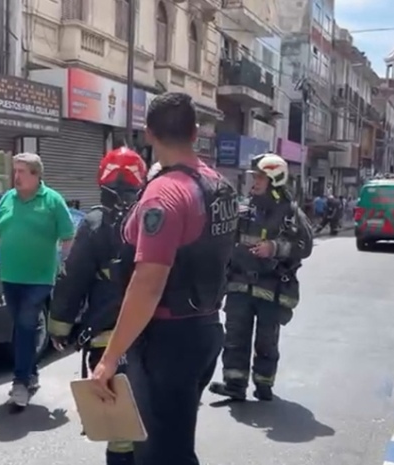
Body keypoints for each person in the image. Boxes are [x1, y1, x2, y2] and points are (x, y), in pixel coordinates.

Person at [89, 92, 238, 465]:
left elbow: (148, 284)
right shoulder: (218, 185)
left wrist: (109, 358)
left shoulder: (165, 194)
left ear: (148, 134)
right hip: (204, 329)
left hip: (167, 341)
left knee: (161, 456)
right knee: (173, 445)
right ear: (195, 131)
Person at [47, 147, 147, 465]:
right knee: (153, 414)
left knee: (118, 422)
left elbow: (72, 278)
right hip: (154, 337)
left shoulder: (94, 224)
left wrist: (59, 326)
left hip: (106, 339)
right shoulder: (156, 217)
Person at [209, 153, 313, 401]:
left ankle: (264, 384)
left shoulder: (291, 213)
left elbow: (305, 246)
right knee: (234, 338)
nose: (253, 182)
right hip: (239, 285)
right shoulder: (244, 208)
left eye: (259, 177)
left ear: (274, 179)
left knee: (267, 341)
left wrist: (274, 248)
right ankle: (235, 385)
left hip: (271, 287)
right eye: (254, 177)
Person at [0, 152, 76, 408]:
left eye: (22, 172)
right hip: (11, 276)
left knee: (24, 324)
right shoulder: (7, 199)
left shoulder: (52, 201)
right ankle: (31, 372)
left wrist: (64, 263)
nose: (16, 177)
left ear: (36, 175)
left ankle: (20, 382)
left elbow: (68, 236)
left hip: (40, 279)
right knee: (24, 328)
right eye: (15, 171)